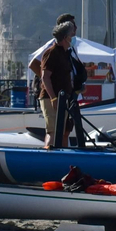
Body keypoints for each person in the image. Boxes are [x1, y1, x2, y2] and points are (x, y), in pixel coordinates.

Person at [39, 21, 80, 150]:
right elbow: (45, 77)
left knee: (61, 131)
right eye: (71, 34)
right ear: (65, 37)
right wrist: (53, 98)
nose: (73, 36)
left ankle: (61, 156)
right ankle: (48, 158)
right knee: (52, 130)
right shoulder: (51, 53)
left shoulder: (65, 53)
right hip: (52, 98)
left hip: (63, 98)